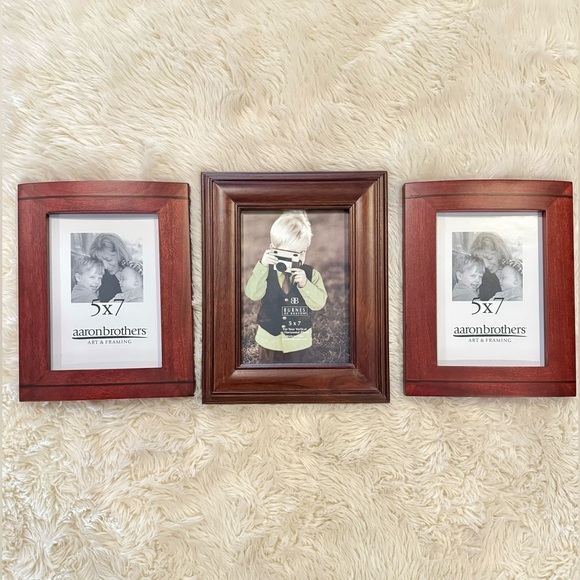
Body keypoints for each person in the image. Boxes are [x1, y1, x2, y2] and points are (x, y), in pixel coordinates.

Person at [244, 211, 327, 363]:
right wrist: (262, 266)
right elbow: (253, 294)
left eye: (302, 252)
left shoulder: (311, 274)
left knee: (300, 374)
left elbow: (319, 303)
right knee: (270, 374)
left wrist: (305, 284)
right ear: (273, 249)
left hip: (299, 341)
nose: (299, 258)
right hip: (269, 341)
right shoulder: (265, 271)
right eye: (291, 254)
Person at [89, 233, 142, 302]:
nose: (105, 266)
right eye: (100, 262)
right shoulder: (101, 278)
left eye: (109, 259)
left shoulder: (137, 271)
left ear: (120, 253)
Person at [470, 232, 512, 300]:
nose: (486, 265)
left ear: (500, 253)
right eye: (480, 260)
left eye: (489, 258)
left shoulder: (515, 270)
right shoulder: (481, 276)